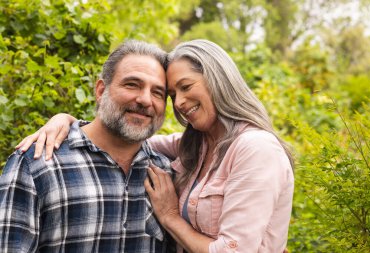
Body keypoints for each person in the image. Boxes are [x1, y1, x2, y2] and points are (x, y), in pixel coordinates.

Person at [17, 39, 295, 253]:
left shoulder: (255, 148)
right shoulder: (195, 146)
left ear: (218, 80)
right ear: (101, 90)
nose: (181, 103)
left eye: (185, 87)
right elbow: (125, 134)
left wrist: (171, 216)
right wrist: (66, 122)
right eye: (173, 94)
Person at [0, 40, 174, 253]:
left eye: (158, 92)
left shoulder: (167, 173)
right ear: (101, 91)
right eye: (132, 84)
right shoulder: (36, 163)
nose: (145, 99)